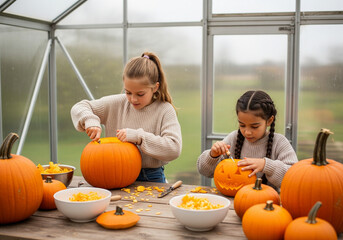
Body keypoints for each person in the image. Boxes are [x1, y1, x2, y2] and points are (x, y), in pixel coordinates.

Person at [71, 52, 182, 183]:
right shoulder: (117, 103)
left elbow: (174, 148)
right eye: (128, 92)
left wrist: (139, 137)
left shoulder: (164, 110)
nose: (133, 99)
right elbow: (80, 106)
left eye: (140, 94)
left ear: (155, 88)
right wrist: (90, 120)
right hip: (113, 174)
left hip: (150, 178)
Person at [197, 90, 298, 191]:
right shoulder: (233, 138)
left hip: (265, 204)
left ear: (269, 121)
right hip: (233, 201)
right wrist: (212, 155)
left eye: (254, 126)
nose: (247, 132)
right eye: (242, 125)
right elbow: (204, 171)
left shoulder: (279, 142)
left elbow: (295, 178)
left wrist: (266, 165)